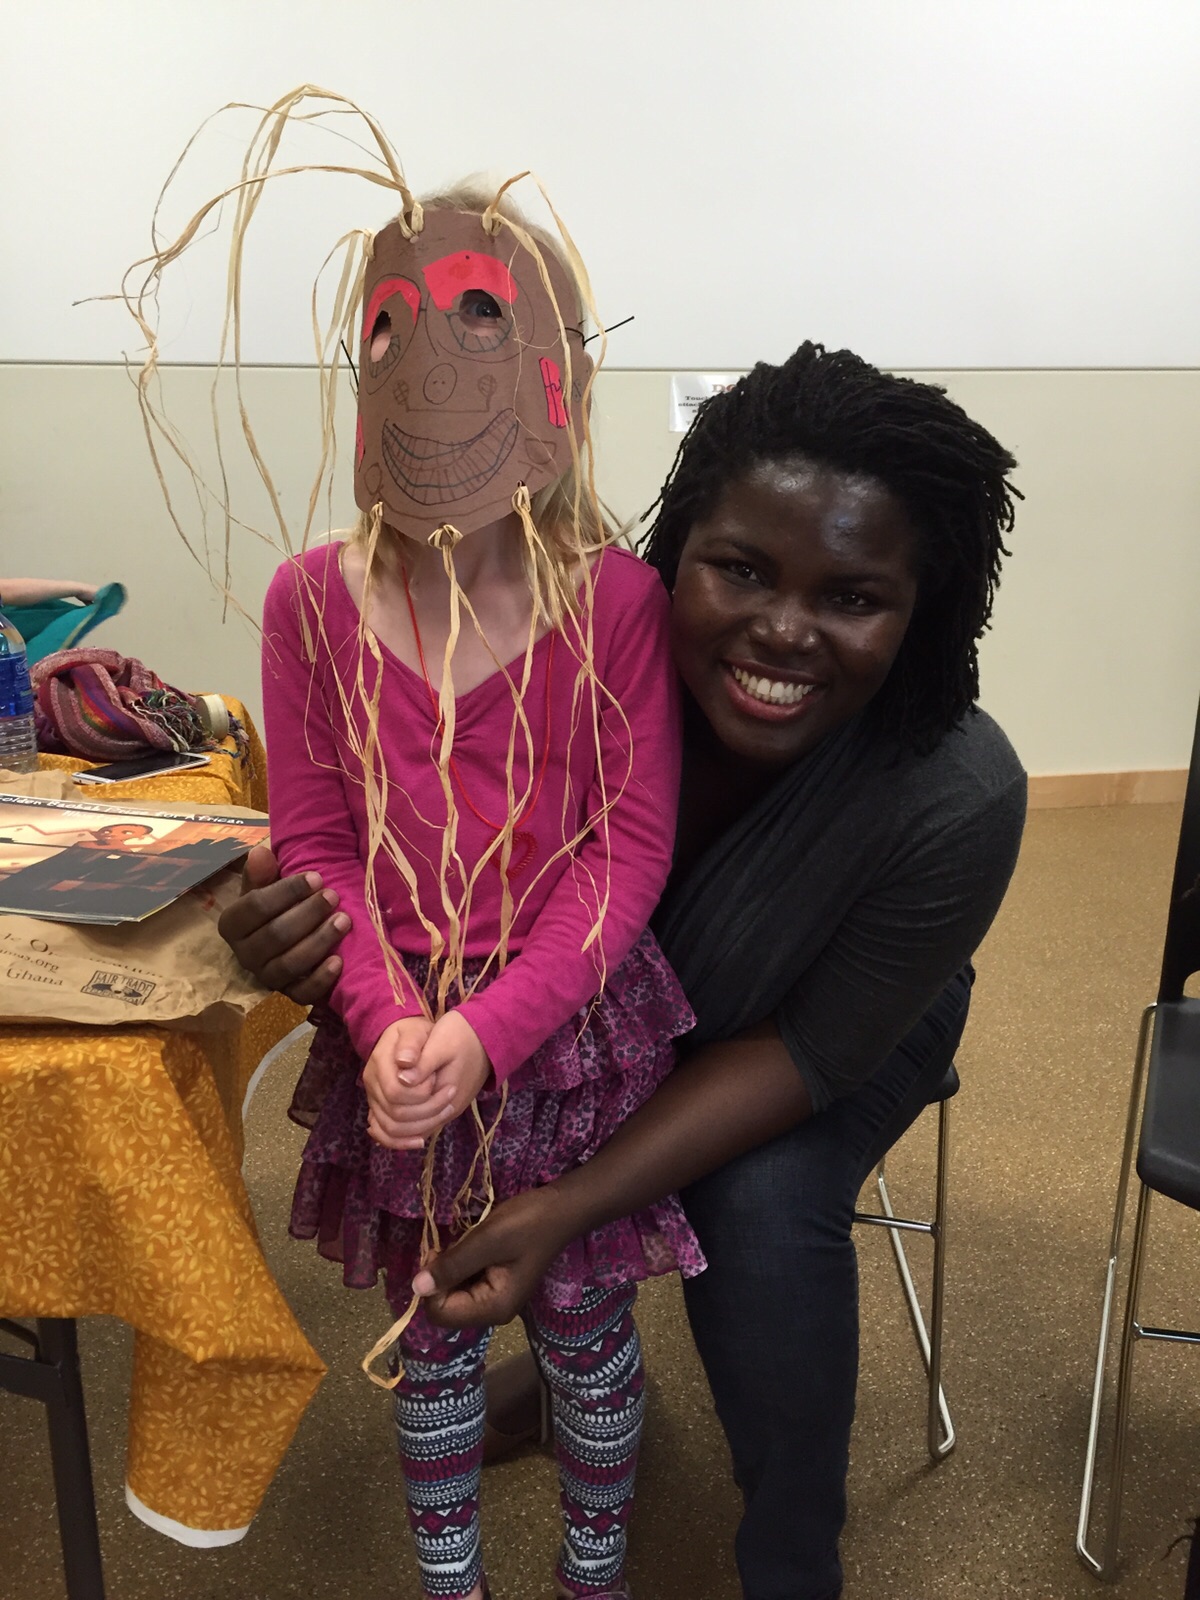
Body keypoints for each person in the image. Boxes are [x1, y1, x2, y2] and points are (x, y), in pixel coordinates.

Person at [222, 341, 1028, 1600]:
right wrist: (322, 956)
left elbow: (805, 1055)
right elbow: (402, 869)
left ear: (927, 606)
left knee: (756, 1206)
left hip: (819, 1035)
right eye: (740, 569)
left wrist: (570, 1206)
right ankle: (565, 1366)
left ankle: (792, 1542)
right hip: (590, 1015)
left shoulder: (955, 798)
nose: (782, 629)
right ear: (674, 549)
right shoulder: (604, 662)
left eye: (853, 596)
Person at [261, 188, 705, 1600]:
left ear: (552, 373)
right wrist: (387, 1018)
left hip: (564, 1037)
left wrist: (494, 1030)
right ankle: (451, 1584)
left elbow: (627, 852)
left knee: (579, 1317)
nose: (432, 364)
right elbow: (316, 841)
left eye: (477, 320)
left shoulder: (615, 604)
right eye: (394, 327)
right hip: (397, 1041)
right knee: (433, 1323)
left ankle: (594, 1572)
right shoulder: (309, 605)